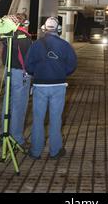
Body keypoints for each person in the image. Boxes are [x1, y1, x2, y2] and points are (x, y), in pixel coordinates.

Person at [26, 17, 77, 159]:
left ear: (44, 28)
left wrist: (36, 73)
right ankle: (55, 151)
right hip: (58, 86)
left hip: (40, 85)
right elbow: (72, 65)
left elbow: (28, 65)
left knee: (38, 118)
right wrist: (61, 73)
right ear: (58, 29)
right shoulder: (65, 45)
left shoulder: (35, 45)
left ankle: (36, 151)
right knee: (56, 119)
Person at [1, 14, 32, 147]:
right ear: (24, 23)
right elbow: (27, 58)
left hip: (9, 72)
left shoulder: (7, 35)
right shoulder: (23, 36)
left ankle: (4, 134)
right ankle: (17, 138)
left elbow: (4, 57)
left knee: (7, 104)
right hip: (21, 74)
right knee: (19, 106)